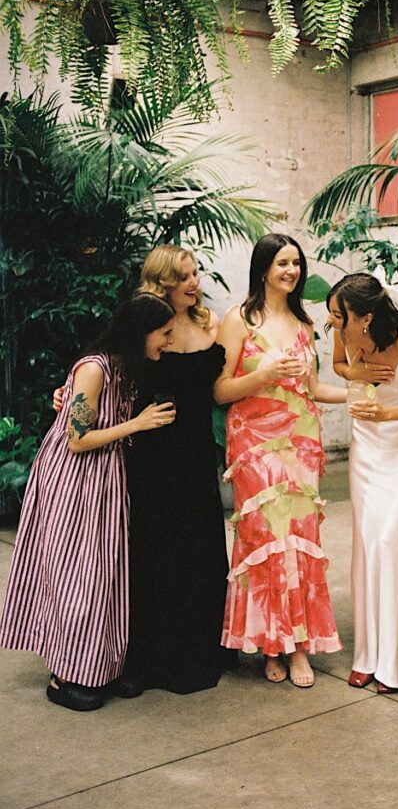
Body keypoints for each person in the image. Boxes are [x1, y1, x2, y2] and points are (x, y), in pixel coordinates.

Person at [0, 294, 176, 711]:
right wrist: (138, 423)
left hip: (104, 478)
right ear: (142, 332)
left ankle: (97, 669)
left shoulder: (125, 367)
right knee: (74, 575)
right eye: (164, 334)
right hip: (71, 479)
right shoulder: (95, 369)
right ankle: (63, 676)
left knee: (104, 576)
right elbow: (76, 439)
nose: (167, 342)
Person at [214, 233, 346, 688]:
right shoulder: (239, 320)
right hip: (253, 443)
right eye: (282, 263)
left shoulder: (303, 323)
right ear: (263, 268)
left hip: (301, 441)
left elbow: (312, 388)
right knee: (266, 538)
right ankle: (273, 644)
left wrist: (363, 393)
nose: (291, 271)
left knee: (300, 537)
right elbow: (219, 390)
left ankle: (300, 645)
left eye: (296, 263)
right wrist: (265, 374)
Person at [122, 245, 231, 694]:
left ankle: (203, 648)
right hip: (152, 455)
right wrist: (67, 395)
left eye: (196, 272)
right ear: (162, 281)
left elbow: (224, 388)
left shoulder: (212, 323)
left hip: (196, 452)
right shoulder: (145, 323)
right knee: (157, 552)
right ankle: (154, 657)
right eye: (183, 276)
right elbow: (106, 371)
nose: (194, 282)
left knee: (201, 547)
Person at [327, 271, 398, 693]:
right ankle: (369, 653)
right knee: (369, 543)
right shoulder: (345, 332)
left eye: (340, 315)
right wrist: (358, 376)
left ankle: (397, 656)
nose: (333, 322)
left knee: (393, 540)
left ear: (366, 318)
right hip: (367, 448)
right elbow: (339, 365)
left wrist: (387, 413)